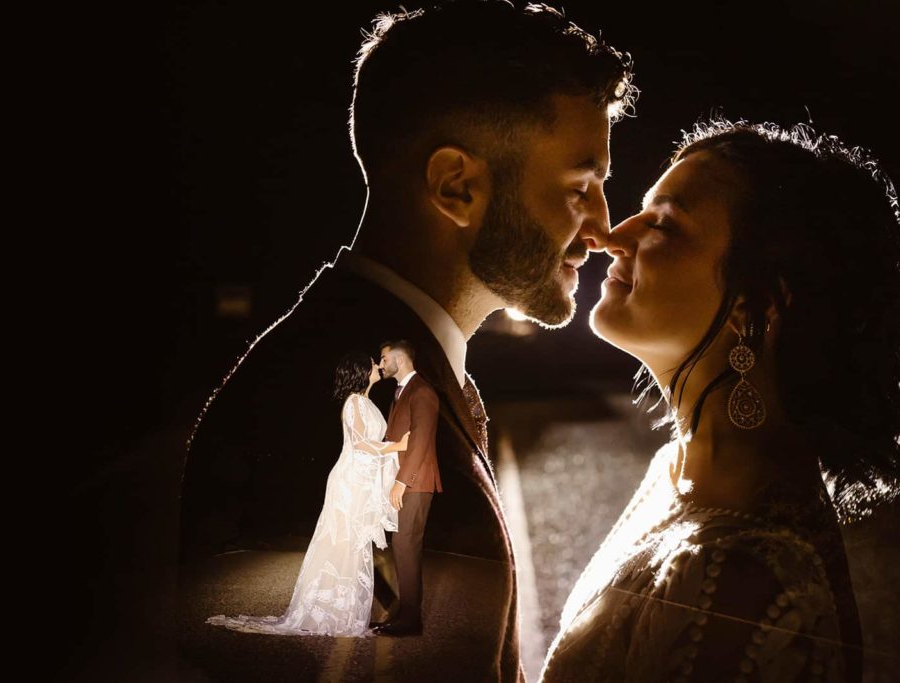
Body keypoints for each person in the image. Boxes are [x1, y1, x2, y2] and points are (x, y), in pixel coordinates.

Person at [178, 2, 637, 679]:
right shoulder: (343, 413)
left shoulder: (364, 360)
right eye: (581, 184)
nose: (601, 226)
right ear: (456, 187)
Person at [540, 119, 900, 682]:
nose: (614, 235)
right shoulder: (676, 469)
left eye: (666, 226)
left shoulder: (740, 579)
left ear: (756, 305)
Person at [205, 352, 408, 636]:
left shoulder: (367, 403)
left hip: (362, 482)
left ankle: (345, 614)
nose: (377, 366)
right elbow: (361, 446)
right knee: (341, 544)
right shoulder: (354, 403)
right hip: (349, 482)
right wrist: (397, 447)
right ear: (361, 371)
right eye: (373, 363)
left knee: (355, 546)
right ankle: (326, 613)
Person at [372, 340, 440, 636]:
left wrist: (401, 483)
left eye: (384, 358)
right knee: (401, 546)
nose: (381, 363)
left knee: (405, 545)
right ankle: (403, 613)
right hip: (403, 480)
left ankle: (411, 620)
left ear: (400, 358)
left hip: (415, 481)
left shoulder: (422, 391)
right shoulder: (400, 394)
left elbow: (420, 441)